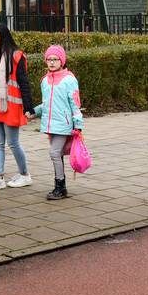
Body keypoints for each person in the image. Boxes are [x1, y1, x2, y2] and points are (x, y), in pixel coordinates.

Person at [0, 24, 34, 189]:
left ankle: (25, 174)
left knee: (13, 143)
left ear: (3, 37)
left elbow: (24, 83)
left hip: (11, 106)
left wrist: (29, 107)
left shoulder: (17, 56)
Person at [33, 45, 83, 200]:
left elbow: (75, 103)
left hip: (64, 124)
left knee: (54, 153)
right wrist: (33, 111)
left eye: (55, 59)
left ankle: (59, 187)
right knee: (58, 154)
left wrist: (78, 124)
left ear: (62, 61)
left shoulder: (69, 79)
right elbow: (46, 103)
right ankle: (61, 187)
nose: (52, 62)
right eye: (49, 59)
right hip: (50, 124)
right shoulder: (45, 80)